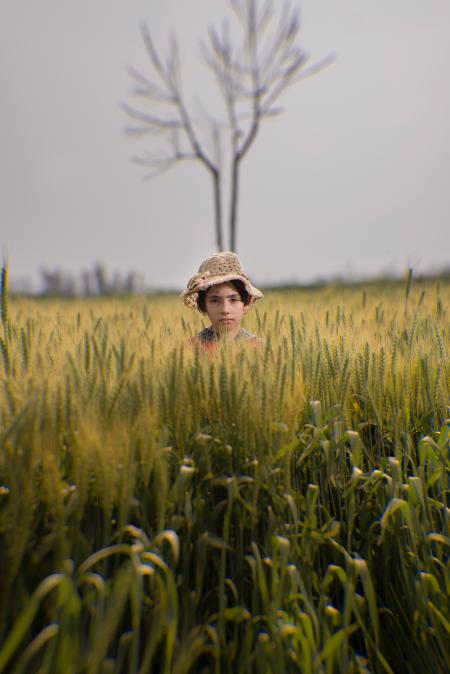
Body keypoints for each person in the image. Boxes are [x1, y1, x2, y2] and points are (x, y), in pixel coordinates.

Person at [180, 252, 263, 348]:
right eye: (215, 301)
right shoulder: (191, 348)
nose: (225, 310)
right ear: (203, 305)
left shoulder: (260, 349)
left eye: (233, 300)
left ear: (246, 302)